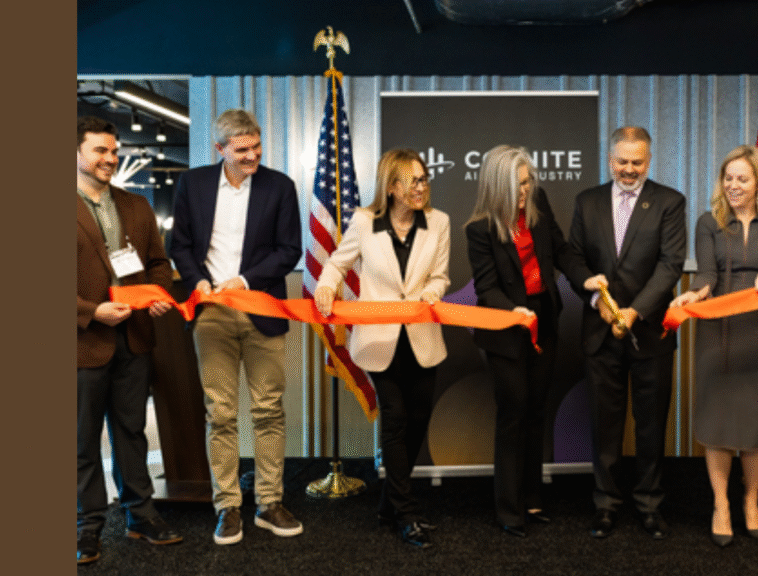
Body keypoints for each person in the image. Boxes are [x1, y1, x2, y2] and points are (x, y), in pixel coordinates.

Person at [170, 109, 303, 545]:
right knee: (221, 413)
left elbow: (288, 251)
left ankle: (269, 502)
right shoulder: (193, 185)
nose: (252, 156)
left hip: (262, 307)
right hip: (211, 313)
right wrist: (199, 282)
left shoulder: (279, 186)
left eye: (256, 147)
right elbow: (181, 245)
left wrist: (244, 281)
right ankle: (227, 507)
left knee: (269, 409)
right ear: (220, 149)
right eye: (242, 149)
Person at [465, 145, 605, 538]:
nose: (524, 192)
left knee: (537, 411)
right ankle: (508, 508)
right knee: (514, 413)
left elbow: (561, 250)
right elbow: (487, 287)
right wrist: (513, 311)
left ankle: (531, 497)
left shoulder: (537, 205)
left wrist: (585, 279)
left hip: (544, 319)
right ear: (497, 186)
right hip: (506, 329)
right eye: (516, 185)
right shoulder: (479, 229)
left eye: (527, 182)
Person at [314, 149, 450, 549]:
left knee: (417, 422)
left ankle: (390, 503)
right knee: (394, 420)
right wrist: (325, 286)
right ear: (392, 187)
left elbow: (441, 276)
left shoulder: (438, 222)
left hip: (422, 338)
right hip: (378, 341)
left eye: (425, 179)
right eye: (413, 181)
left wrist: (429, 293)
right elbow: (337, 264)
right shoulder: (363, 221)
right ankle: (406, 514)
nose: (422, 187)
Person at [670, 145, 758, 547]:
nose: (733, 186)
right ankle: (721, 504)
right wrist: (695, 293)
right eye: (728, 178)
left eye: (742, 178)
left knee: (754, 424)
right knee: (718, 421)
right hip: (716, 334)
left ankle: (751, 502)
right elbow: (706, 275)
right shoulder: (710, 222)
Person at [568, 126, 687, 540]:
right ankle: (605, 505)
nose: (630, 169)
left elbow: (671, 265)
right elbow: (574, 258)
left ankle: (650, 505)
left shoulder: (670, 202)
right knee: (605, 424)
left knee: (651, 424)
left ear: (649, 160)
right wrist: (596, 298)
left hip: (650, 332)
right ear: (610, 158)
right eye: (622, 161)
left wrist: (636, 311)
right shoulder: (587, 202)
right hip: (599, 333)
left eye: (638, 161)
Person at [77, 116, 183, 564]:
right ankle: (88, 526)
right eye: (100, 150)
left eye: (113, 150)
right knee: (81, 441)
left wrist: (157, 295)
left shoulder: (136, 206)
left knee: (132, 432)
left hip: (134, 339)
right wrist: (90, 311)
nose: (111, 158)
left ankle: (141, 515)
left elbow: (159, 264)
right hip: (82, 341)